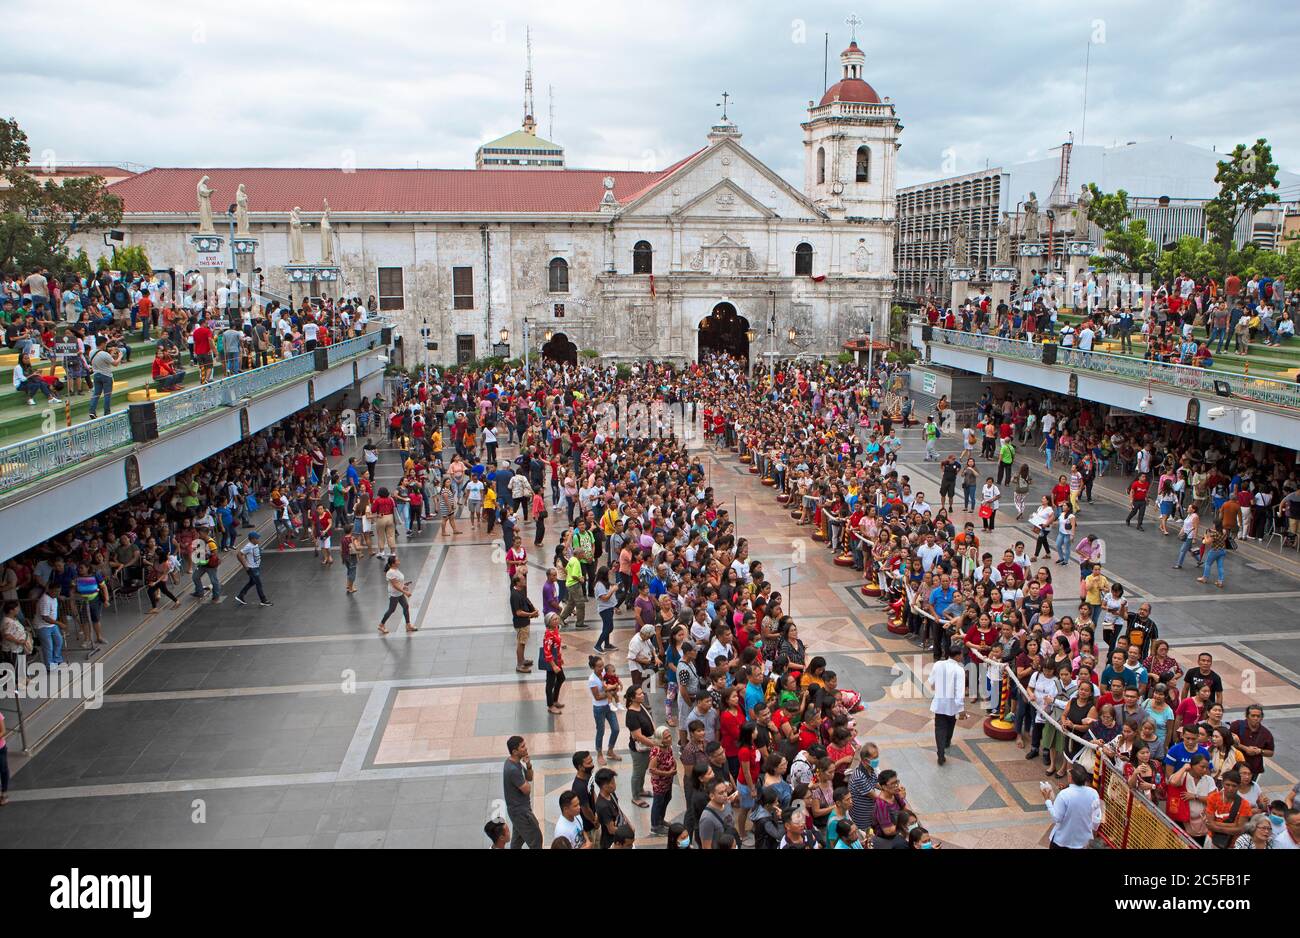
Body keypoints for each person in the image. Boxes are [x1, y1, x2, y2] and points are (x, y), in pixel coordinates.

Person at [1041, 762, 1102, 849]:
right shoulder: (1093, 793)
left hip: (1063, 841)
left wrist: (1048, 801)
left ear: (1070, 778)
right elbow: (1096, 820)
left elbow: (1057, 818)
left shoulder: (1064, 795)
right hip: (1084, 842)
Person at [928, 639, 967, 765]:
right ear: (957, 656)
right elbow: (959, 690)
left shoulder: (938, 664)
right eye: (961, 654)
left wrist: (935, 686)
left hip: (939, 702)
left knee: (939, 726)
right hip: (952, 704)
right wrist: (961, 709)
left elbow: (931, 681)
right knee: (950, 723)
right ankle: (946, 742)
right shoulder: (959, 669)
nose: (962, 656)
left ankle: (940, 751)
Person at [502, 735, 542, 849]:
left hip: (518, 811)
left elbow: (529, 778)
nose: (526, 748)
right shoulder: (513, 769)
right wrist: (525, 783)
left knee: (517, 841)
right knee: (536, 840)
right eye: (523, 746)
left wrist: (528, 765)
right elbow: (527, 790)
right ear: (515, 751)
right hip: (521, 812)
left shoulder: (516, 763)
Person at [587, 655, 621, 766]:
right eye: (599, 667)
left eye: (602, 666)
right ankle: (599, 754)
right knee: (600, 731)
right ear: (593, 667)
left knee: (616, 729)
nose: (602, 668)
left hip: (608, 706)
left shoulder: (604, 673)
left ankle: (610, 750)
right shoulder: (592, 680)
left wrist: (616, 685)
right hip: (599, 708)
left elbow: (612, 680)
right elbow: (597, 697)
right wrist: (610, 693)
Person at [647, 725, 677, 836]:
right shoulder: (657, 752)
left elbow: (670, 758)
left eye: (669, 736)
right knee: (658, 803)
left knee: (667, 799)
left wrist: (673, 767)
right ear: (660, 739)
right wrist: (667, 773)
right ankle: (655, 826)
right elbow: (652, 769)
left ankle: (661, 819)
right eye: (666, 737)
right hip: (660, 783)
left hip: (668, 781)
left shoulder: (668, 747)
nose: (669, 738)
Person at [234, 530, 272, 606]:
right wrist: (245, 566)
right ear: (252, 539)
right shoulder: (248, 546)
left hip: (256, 567)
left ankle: (240, 596)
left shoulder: (255, 545)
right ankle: (263, 600)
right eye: (257, 538)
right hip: (252, 568)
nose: (258, 539)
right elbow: (239, 554)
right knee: (258, 584)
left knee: (252, 582)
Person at [378, 555, 414, 634]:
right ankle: (381, 625)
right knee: (391, 610)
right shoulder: (390, 572)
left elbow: (398, 582)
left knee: (406, 606)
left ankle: (408, 625)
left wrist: (404, 585)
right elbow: (395, 585)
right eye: (397, 560)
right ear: (393, 564)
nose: (399, 561)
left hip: (399, 593)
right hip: (394, 594)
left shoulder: (396, 570)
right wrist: (405, 592)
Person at [86, 343, 124, 419]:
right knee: (107, 395)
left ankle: (92, 411)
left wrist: (111, 354)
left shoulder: (91, 352)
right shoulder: (105, 354)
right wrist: (120, 356)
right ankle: (107, 412)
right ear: (103, 343)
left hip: (96, 375)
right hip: (106, 376)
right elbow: (115, 363)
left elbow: (105, 359)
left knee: (96, 394)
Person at [509, 573, 537, 672]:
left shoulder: (521, 590)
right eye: (522, 579)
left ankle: (522, 660)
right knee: (521, 643)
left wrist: (533, 610)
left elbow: (526, 601)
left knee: (523, 642)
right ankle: (519, 665)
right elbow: (518, 612)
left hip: (524, 621)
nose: (525, 580)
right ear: (517, 582)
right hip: (520, 623)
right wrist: (531, 614)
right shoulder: (515, 595)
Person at [541, 612, 566, 715]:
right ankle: (550, 705)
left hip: (557, 660)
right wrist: (554, 665)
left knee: (561, 678)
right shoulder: (549, 634)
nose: (556, 621)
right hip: (551, 662)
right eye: (554, 620)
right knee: (550, 683)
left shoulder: (555, 630)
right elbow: (547, 651)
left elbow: (556, 646)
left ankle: (555, 700)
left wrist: (560, 657)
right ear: (548, 622)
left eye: (557, 619)